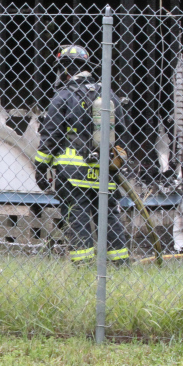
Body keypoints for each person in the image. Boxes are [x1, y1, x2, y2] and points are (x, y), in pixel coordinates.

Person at [34, 44, 130, 264]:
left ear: (65, 69)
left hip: (73, 173)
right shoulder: (108, 94)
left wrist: (40, 168)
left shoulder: (63, 95)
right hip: (104, 171)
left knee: (77, 218)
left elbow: (51, 136)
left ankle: (83, 267)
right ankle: (121, 265)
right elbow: (122, 132)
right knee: (109, 217)